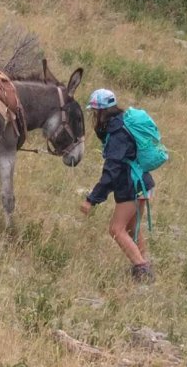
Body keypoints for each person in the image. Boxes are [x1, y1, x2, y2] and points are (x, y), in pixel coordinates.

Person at [79, 87, 155, 282]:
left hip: (131, 185)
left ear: (101, 111)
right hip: (142, 183)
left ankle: (142, 270)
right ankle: (144, 263)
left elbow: (111, 172)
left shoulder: (117, 133)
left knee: (116, 229)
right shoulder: (123, 124)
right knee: (132, 229)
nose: (94, 116)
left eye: (95, 112)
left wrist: (91, 200)